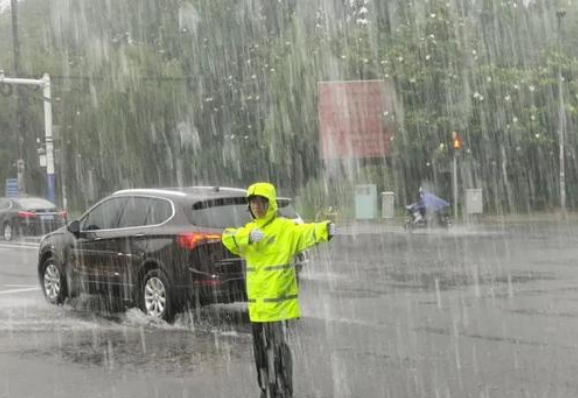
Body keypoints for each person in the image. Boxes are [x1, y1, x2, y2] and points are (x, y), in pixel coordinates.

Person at [222, 182, 335, 398]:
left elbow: (307, 231)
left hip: (279, 307)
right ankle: (265, 390)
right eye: (253, 202)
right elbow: (228, 237)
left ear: (270, 203)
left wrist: (325, 229)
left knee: (278, 352)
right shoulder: (249, 230)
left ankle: (284, 391)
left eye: (261, 201)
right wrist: (247, 237)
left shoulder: (285, 228)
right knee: (261, 357)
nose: (257, 206)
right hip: (257, 309)